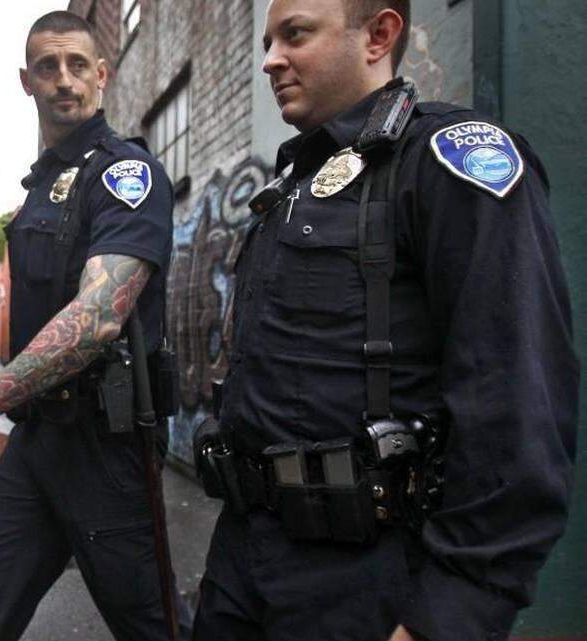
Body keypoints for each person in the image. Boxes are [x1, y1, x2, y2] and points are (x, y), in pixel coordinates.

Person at [191, 1, 579, 640]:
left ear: (378, 34)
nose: (270, 60)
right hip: (243, 567)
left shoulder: (448, 158)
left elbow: (518, 402)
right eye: (267, 40)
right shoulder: (293, 186)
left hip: (365, 587)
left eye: (296, 35)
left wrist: (447, 616)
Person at [0, 10, 191, 641]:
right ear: (25, 82)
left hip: (107, 451)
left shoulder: (125, 177)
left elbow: (96, 318)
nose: (64, 79)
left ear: (102, 75)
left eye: (77, 65)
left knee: (152, 626)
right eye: (47, 67)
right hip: (38, 444)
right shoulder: (43, 187)